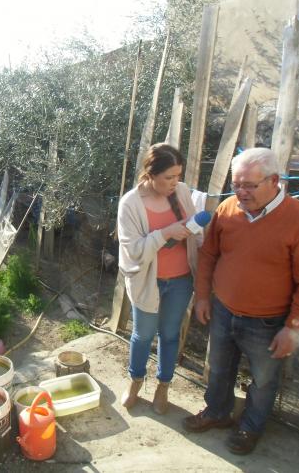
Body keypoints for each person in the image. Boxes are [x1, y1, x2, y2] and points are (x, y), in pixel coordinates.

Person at [183, 148, 299, 454]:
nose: (241, 192)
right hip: (223, 310)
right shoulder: (227, 209)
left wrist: (294, 327)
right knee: (219, 369)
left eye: (249, 185)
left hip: (268, 321)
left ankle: (250, 427)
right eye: (236, 184)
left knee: (263, 381)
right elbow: (209, 254)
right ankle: (217, 412)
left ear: (274, 181)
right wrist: (203, 296)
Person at [117, 143, 200, 414]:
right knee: (142, 335)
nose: (176, 182)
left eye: (178, 175)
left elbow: (195, 230)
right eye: (169, 177)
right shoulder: (130, 204)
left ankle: (163, 386)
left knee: (170, 334)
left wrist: (194, 230)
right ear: (150, 174)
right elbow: (134, 250)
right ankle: (135, 382)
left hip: (181, 280)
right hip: (147, 282)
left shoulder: (182, 191)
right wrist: (166, 233)